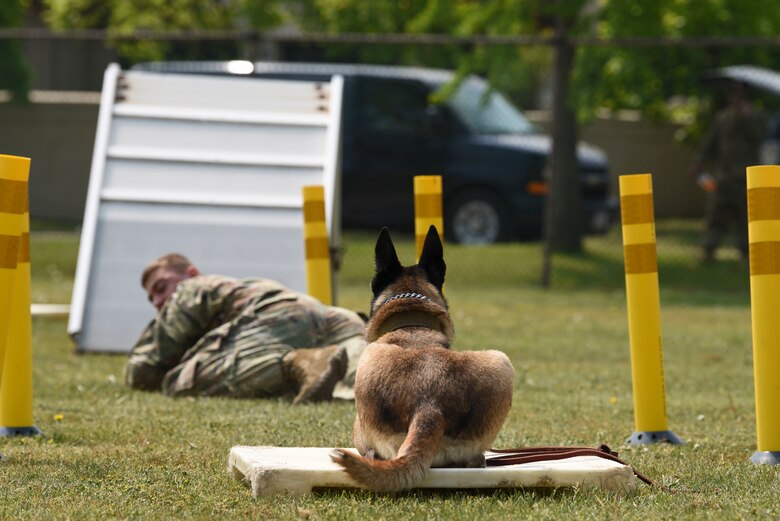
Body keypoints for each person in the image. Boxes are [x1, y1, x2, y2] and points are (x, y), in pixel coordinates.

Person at [124, 253, 367, 404]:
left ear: (192, 273)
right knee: (363, 380)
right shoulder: (237, 288)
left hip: (277, 317)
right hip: (329, 315)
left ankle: (300, 362)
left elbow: (149, 365)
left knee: (181, 380)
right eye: (151, 299)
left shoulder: (190, 289)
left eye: (160, 287)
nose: (157, 301)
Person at [690, 81, 767, 263]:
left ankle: (747, 254)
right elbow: (710, 142)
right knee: (715, 215)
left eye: (740, 95)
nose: (736, 98)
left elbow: (763, 139)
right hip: (724, 177)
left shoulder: (758, 117)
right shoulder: (723, 118)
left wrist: (746, 118)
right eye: (734, 94)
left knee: (745, 219)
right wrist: (698, 162)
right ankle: (708, 251)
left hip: (747, 178)